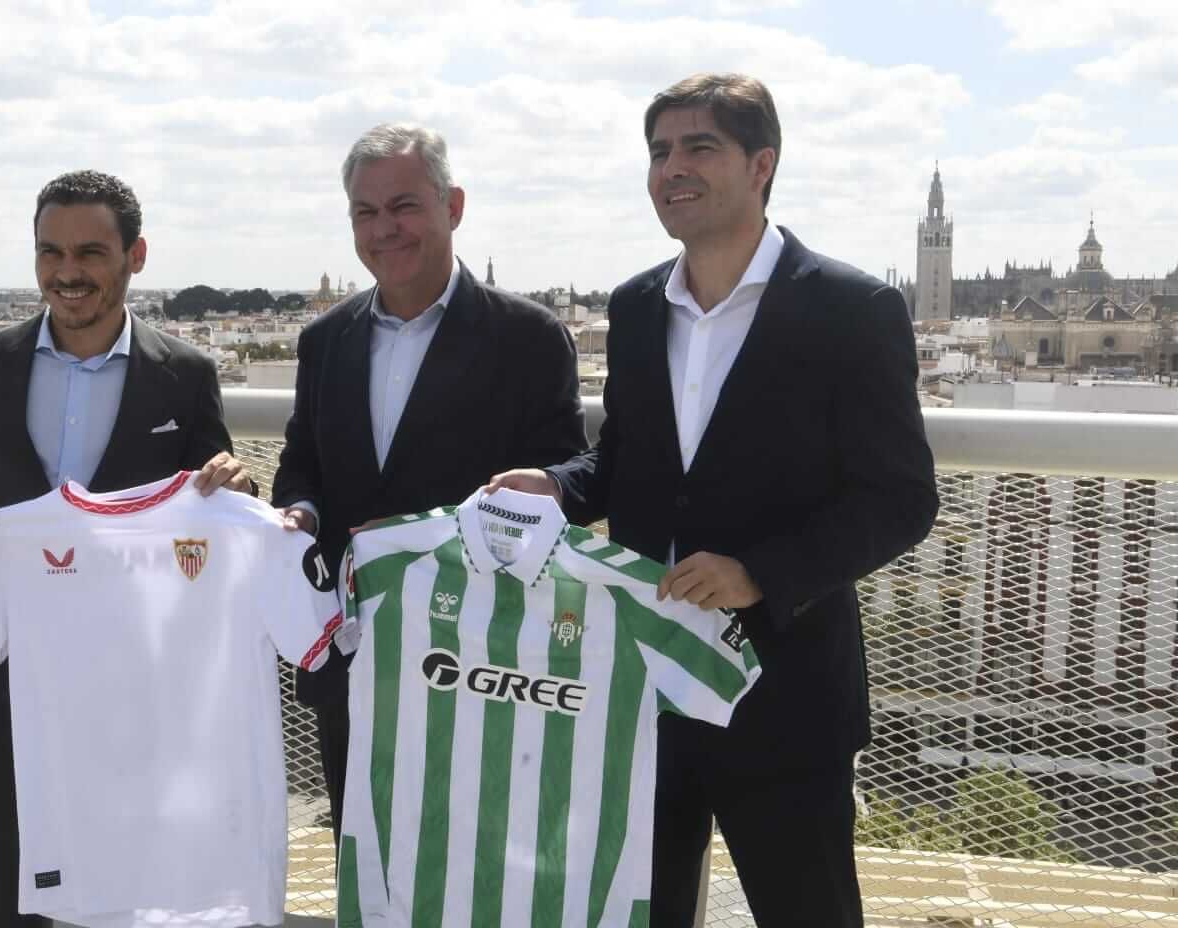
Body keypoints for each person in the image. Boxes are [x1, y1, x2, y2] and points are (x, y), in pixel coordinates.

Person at [489, 73, 938, 927]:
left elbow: (902, 496)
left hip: (787, 694)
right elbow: (624, 464)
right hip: (644, 688)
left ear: (761, 164)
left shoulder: (853, 308)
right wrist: (556, 488)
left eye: (699, 147)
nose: (672, 168)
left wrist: (760, 574)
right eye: (659, 151)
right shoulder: (633, 306)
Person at [0, 169, 254, 928]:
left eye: (91, 252)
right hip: (11, 665)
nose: (67, 273)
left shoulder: (185, 374)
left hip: (139, 675)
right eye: (49, 253)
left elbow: (218, 494)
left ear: (137, 255)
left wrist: (235, 483)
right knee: (10, 856)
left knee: (140, 872)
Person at [272, 123, 587, 843]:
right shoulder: (326, 340)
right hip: (353, 654)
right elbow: (302, 464)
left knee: (477, 868)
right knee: (367, 861)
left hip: (480, 659)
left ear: (455, 206)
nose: (384, 229)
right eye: (364, 211)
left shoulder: (529, 336)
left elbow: (573, 469)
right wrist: (298, 511)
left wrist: (551, 486)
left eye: (404, 206)